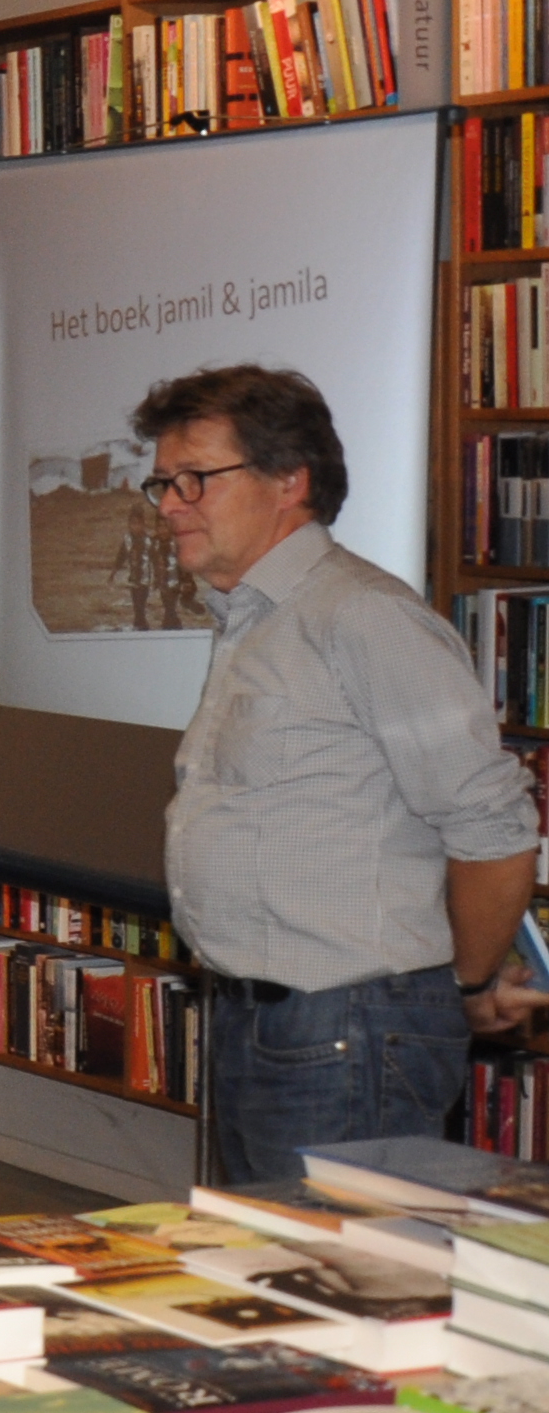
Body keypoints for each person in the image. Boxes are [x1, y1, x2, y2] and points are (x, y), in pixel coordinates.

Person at [141, 363, 548, 1180]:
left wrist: (466, 986)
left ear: (290, 480)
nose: (172, 503)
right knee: (269, 1286)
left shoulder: (362, 617)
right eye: (162, 484)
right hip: (262, 1021)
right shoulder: (254, 620)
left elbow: (496, 830)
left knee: (341, 1284)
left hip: (346, 1029)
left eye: (197, 479)